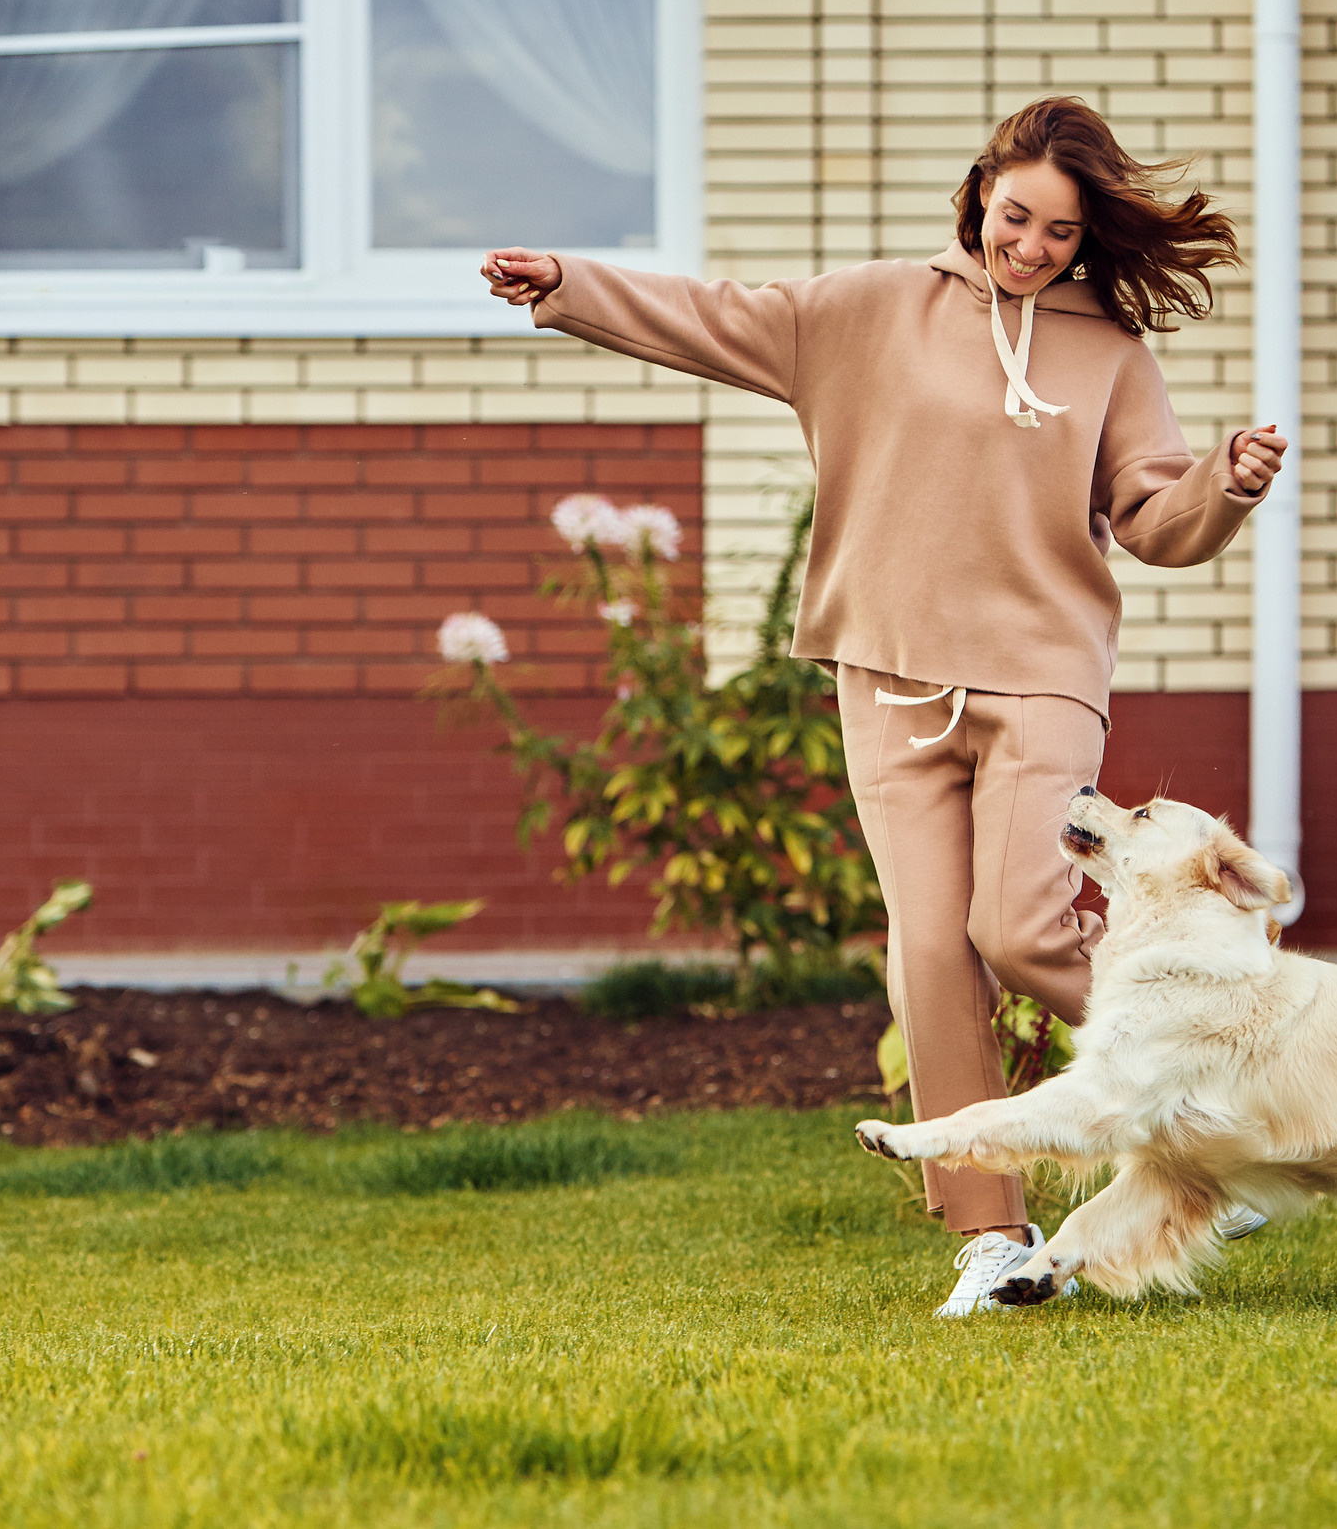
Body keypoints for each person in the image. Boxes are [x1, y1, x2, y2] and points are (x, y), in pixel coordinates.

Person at [481, 96, 1287, 1318]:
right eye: (1016, 217)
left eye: (1060, 234)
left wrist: (1222, 485)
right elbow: (712, 318)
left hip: (1039, 672)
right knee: (929, 963)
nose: (1031, 247)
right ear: (979, 194)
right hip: (887, 676)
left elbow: (1152, 517)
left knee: (1018, 929)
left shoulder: (1110, 355)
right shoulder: (865, 311)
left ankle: (1250, 1065)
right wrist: (569, 285)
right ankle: (992, 1234)